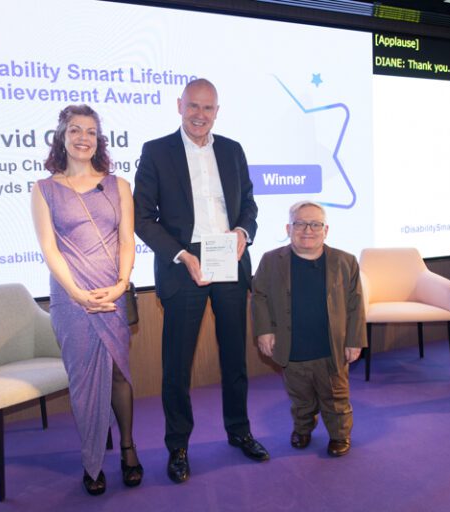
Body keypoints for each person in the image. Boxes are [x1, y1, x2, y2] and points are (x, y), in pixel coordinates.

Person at [133, 78, 269, 484]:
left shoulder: (232, 150)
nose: (199, 115)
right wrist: (181, 254)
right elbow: (142, 216)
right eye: (193, 106)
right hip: (183, 262)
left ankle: (239, 431)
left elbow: (248, 204)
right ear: (179, 105)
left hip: (230, 258)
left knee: (234, 358)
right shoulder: (156, 151)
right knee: (177, 363)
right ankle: (178, 446)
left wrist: (243, 233)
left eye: (208, 108)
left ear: (217, 111)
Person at [31, 105, 142, 495]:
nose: (83, 138)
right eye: (75, 130)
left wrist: (122, 284)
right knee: (82, 383)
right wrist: (77, 294)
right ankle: (91, 461)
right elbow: (49, 249)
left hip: (112, 294)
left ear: (99, 139)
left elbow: (127, 240)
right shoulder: (44, 189)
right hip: (71, 300)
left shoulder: (119, 186)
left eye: (91, 132)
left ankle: (128, 448)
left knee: (118, 376)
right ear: (61, 137)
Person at [251, 201, 366, 457]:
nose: (307, 230)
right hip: (292, 349)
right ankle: (303, 429)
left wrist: (354, 340)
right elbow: (259, 296)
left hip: (331, 348)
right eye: (300, 223)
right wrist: (264, 330)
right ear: (288, 228)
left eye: (315, 224)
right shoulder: (271, 261)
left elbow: (356, 304)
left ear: (326, 230)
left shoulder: (345, 261)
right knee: (300, 398)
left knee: (335, 398)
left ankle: (339, 436)